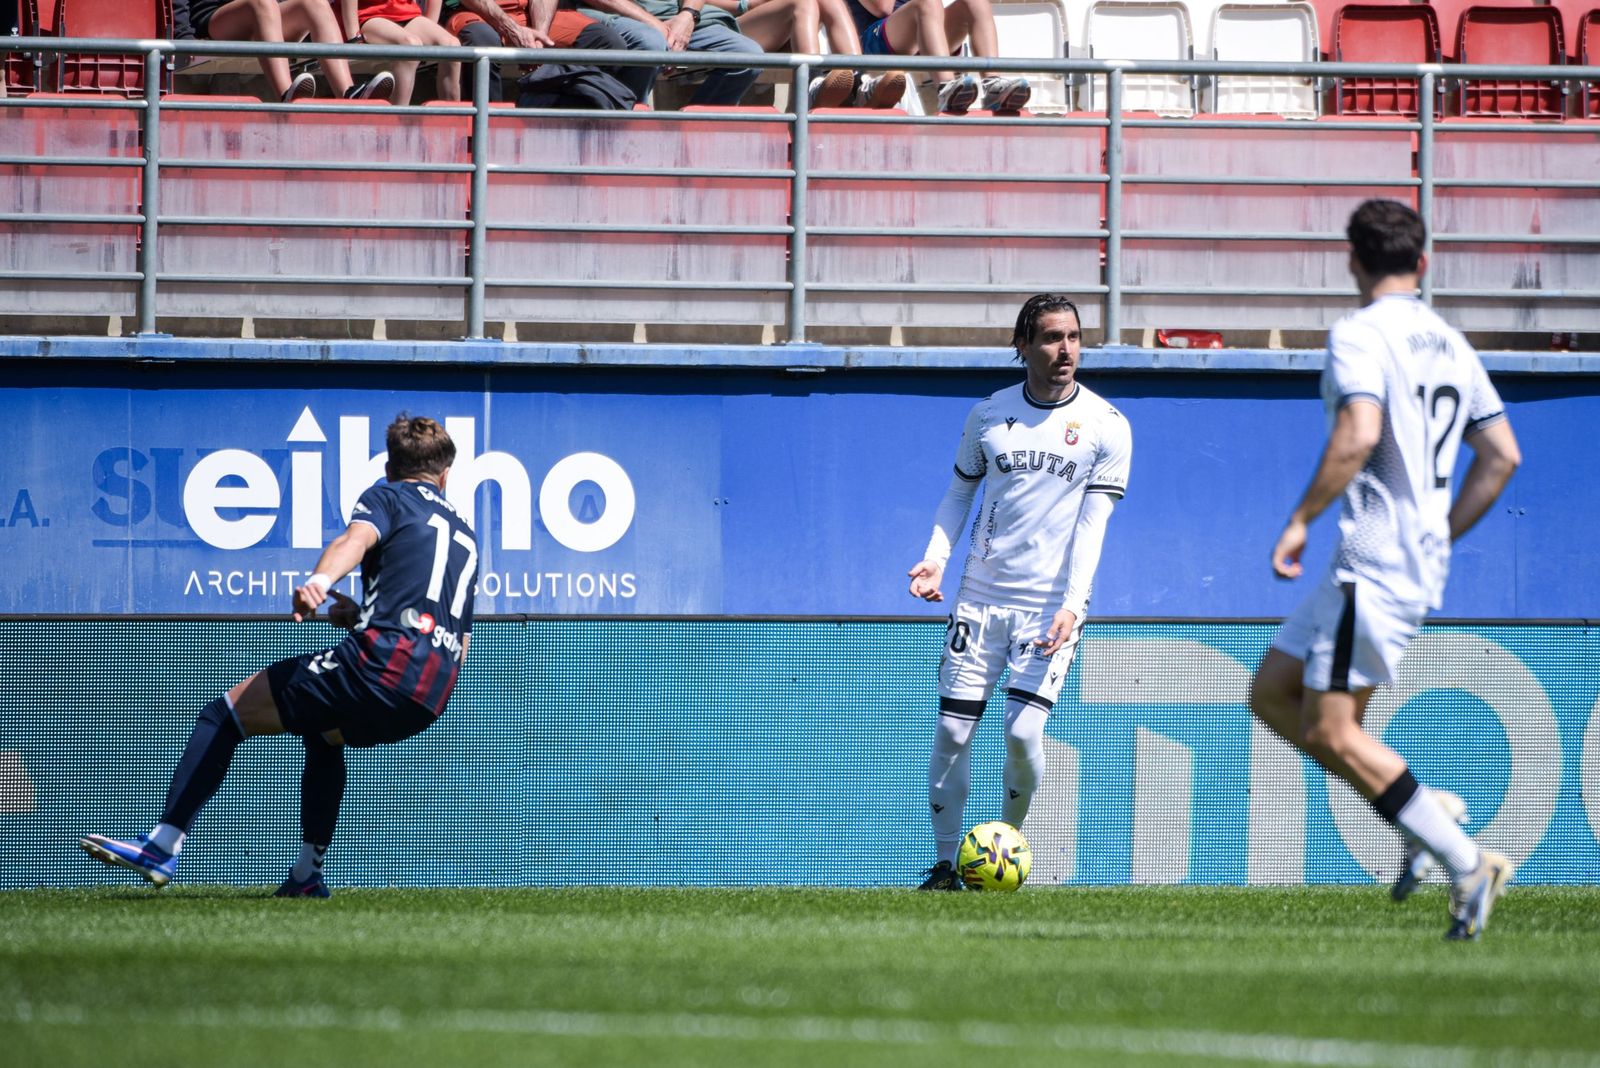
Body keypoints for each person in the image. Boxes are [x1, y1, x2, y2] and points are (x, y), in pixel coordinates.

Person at [1247, 199, 1522, 941]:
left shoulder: (1361, 333)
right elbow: (1502, 457)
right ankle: (1427, 808)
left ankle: (1466, 859)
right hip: (1393, 562)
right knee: (1272, 692)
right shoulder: (1451, 343)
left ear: (1352, 259)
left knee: (1334, 732)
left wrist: (1301, 517)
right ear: (1423, 261)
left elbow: (1359, 432)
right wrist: (1441, 532)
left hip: (1373, 559)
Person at [81, 415, 478, 897]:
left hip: (379, 669)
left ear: (391, 468)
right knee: (323, 735)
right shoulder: (465, 533)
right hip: (429, 695)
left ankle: (162, 846)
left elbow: (353, 540)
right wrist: (361, 619)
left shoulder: (386, 496)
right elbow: (448, 628)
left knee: (225, 713)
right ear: (446, 473)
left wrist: (320, 582)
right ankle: (307, 876)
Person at [907, 294, 1131, 890]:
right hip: (979, 598)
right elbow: (959, 495)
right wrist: (935, 561)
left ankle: (1004, 851)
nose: (1066, 350)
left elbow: (1093, 527)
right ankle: (947, 865)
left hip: (1046, 607)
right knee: (954, 732)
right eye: (1053, 338)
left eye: (1075, 337)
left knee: (1023, 732)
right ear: (1024, 346)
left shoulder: (1108, 426)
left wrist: (1074, 605)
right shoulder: (988, 415)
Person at [441, 0, 655, 104]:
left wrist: (539, 36)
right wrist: (512, 29)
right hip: (474, 12)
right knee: (482, 44)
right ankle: (490, 130)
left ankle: (562, 108)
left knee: (607, 42)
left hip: (528, 14)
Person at [701, 0, 907, 109]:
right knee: (803, 3)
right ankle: (812, 84)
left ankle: (857, 81)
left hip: (774, 21)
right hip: (724, 25)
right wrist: (746, 4)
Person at [185, 0, 395, 102]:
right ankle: (287, 96)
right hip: (215, 17)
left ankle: (349, 94)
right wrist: (183, 36)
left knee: (315, 3)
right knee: (262, 3)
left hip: (266, 16)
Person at [844, 0, 1029, 114]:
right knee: (927, 3)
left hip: (923, 29)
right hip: (873, 39)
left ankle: (993, 88)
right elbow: (882, 7)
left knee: (976, 3)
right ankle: (946, 88)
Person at [577, 0, 763, 106]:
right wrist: (654, 24)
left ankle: (692, 132)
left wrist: (688, 15)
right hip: (616, 15)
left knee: (748, 56)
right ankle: (631, 127)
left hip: (675, 16)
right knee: (650, 44)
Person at [340, 0, 462, 105]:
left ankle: (454, 124)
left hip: (408, 14)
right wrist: (353, 36)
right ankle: (397, 122)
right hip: (370, 14)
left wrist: (431, 23)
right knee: (410, 45)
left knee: (452, 46)